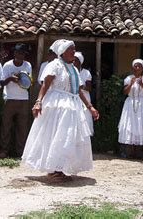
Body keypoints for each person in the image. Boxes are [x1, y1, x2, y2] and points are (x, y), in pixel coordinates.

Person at [22, 39, 99, 183]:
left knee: (68, 137)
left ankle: (61, 167)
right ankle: (53, 170)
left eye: (74, 49)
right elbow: (45, 85)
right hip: (57, 105)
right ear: (62, 51)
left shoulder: (74, 68)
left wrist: (90, 107)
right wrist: (38, 102)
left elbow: (78, 91)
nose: (73, 52)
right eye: (71, 49)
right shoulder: (54, 65)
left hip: (72, 105)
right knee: (55, 136)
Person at [0, 43, 32, 159]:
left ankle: (20, 151)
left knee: (22, 127)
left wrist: (20, 79)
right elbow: (1, 83)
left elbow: (28, 83)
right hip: (10, 98)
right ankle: (4, 150)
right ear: (14, 53)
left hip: (23, 99)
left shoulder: (28, 65)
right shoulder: (7, 65)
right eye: (18, 53)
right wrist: (11, 78)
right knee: (6, 126)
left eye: (22, 53)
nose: (20, 55)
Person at [117, 59, 143, 158]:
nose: (137, 68)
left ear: (142, 68)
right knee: (132, 125)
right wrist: (131, 84)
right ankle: (132, 151)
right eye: (135, 66)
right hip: (130, 103)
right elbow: (124, 92)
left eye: (139, 66)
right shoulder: (128, 78)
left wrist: (141, 84)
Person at [73, 51, 94, 134]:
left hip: (84, 97)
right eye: (73, 60)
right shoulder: (70, 71)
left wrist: (82, 87)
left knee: (84, 117)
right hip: (73, 96)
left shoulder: (86, 73)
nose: (74, 62)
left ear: (80, 62)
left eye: (76, 60)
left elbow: (89, 87)